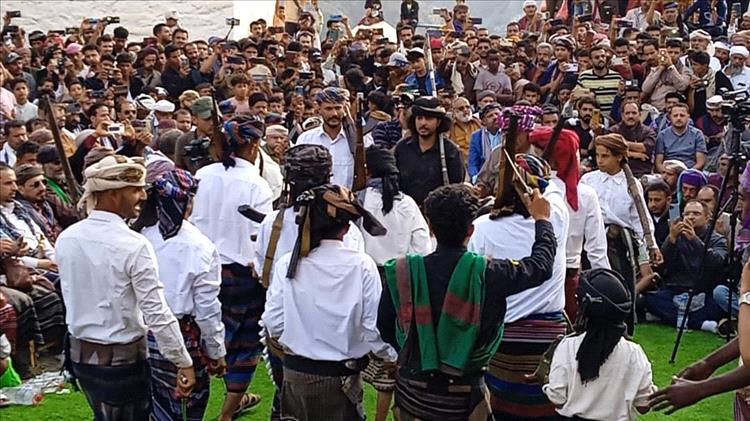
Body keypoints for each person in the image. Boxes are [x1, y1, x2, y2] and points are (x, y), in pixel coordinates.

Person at [377, 183, 557, 420]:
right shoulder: (488, 273)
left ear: (430, 227)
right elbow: (541, 267)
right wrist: (542, 220)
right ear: (470, 230)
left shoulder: (402, 273)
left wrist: (416, 352)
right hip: (465, 396)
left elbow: (384, 326)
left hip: (413, 393)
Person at [55, 155, 195, 420]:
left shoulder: (67, 238)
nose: (143, 196)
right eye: (135, 189)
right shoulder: (133, 245)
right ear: (113, 194)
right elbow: (156, 311)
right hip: (120, 360)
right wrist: (182, 361)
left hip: (81, 356)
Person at [262, 184, 396, 420]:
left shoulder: (287, 263)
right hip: (340, 377)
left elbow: (274, 322)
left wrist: (300, 341)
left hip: (295, 374)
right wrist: (391, 356)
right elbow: (371, 327)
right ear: (346, 228)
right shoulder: (362, 265)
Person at [468, 152, 568, 421]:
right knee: (546, 406)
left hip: (502, 334)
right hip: (544, 334)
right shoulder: (557, 216)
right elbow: (554, 188)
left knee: (500, 408)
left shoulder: (481, 228)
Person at [190, 116, 273, 420]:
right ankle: (226, 412)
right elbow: (260, 237)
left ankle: (204, 407)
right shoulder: (256, 184)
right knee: (243, 345)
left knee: (199, 337)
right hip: (241, 275)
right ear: (253, 145)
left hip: (201, 270)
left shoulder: (202, 175)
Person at [139, 167, 227, 421]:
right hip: (181, 335)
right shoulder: (200, 246)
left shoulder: (141, 236)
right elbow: (207, 308)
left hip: (142, 335)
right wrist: (216, 351)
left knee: (152, 405)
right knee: (187, 408)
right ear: (188, 203)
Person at [543, 268, 656, 420]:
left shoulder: (568, 347)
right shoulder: (633, 353)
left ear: (583, 308)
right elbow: (643, 405)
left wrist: (545, 382)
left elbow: (557, 399)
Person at [528, 126, 610, 321]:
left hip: (537, 276)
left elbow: (596, 248)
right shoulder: (585, 194)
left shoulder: (529, 191)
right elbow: (597, 250)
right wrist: (607, 287)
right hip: (551, 275)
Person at [580, 134, 660, 332]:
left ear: (619, 157)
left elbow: (640, 218)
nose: (600, 160)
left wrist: (651, 245)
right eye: (598, 155)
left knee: (620, 286)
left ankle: (621, 331)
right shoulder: (588, 180)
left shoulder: (631, 184)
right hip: (590, 241)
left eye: (605, 156)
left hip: (619, 243)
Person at [645, 200, 726, 332]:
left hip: (703, 291)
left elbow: (717, 262)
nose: (690, 217)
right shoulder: (676, 237)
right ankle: (700, 323)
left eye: (696, 214)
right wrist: (671, 239)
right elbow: (660, 265)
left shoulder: (717, 239)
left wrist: (694, 240)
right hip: (676, 291)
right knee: (650, 299)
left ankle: (674, 318)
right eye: (687, 214)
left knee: (718, 304)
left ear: (707, 218)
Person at [394, 96, 465, 207]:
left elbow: (456, 187)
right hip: (406, 209)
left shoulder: (450, 151)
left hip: (438, 210)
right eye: (419, 118)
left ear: (438, 122)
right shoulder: (402, 148)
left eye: (428, 118)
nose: (423, 123)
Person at [296, 87, 356, 189]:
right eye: (328, 109)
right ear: (319, 109)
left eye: (338, 108)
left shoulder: (355, 140)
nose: (334, 114)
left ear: (345, 109)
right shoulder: (306, 139)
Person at [609, 100, 657, 178]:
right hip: (618, 173)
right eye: (627, 113)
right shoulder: (613, 130)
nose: (630, 116)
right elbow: (610, 151)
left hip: (642, 173)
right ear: (622, 115)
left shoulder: (648, 131)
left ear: (640, 114)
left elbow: (645, 147)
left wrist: (620, 143)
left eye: (634, 113)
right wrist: (635, 154)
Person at [655, 103, 707, 172]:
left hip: (690, 171)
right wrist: (667, 173)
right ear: (670, 117)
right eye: (675, 115)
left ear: (688, 116)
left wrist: (686, 173)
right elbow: (658, 163)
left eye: (682, 115)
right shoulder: (662, 135)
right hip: (668, 171)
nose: (678, 118)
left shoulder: (697, 134)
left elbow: (700, 163)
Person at [468, 103, 502, 181]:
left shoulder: (507, 133)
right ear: (483, 121)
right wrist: (475, 178)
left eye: (497, 114)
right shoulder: (476, 136)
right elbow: (473, 162)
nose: (495, 117)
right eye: (490, 116)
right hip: (483, 176)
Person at [645, 181, 673, 247]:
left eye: (657, 200)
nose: (653, 204)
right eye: (650, 200)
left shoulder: (675, 216)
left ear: (668, 200)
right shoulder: (644, 216)